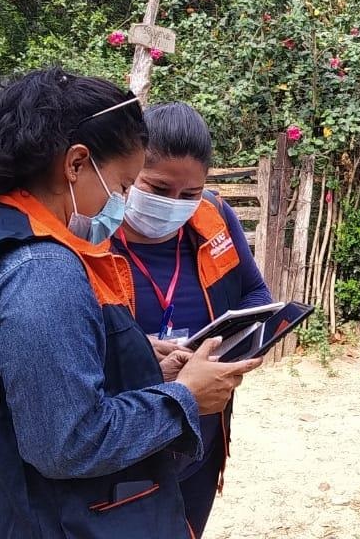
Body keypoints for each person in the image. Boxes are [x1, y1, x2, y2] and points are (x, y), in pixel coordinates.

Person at [0, 68, 262, 538]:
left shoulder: (4, 226)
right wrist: (184, 399)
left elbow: (37, 375)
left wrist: (136, 358)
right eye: (125, 185)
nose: (124, 201)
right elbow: (69, 443)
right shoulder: (42, 270)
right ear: (75, 164)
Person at [111, 102, 273, 533]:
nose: (174, 205)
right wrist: (133, 351)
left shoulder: (214, 218)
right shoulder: (93, 233)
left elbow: (255, 292)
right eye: (158, 188)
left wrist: (221, 353)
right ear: (128, 175)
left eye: (189, 194)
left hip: (201, 428)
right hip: (127, 435)